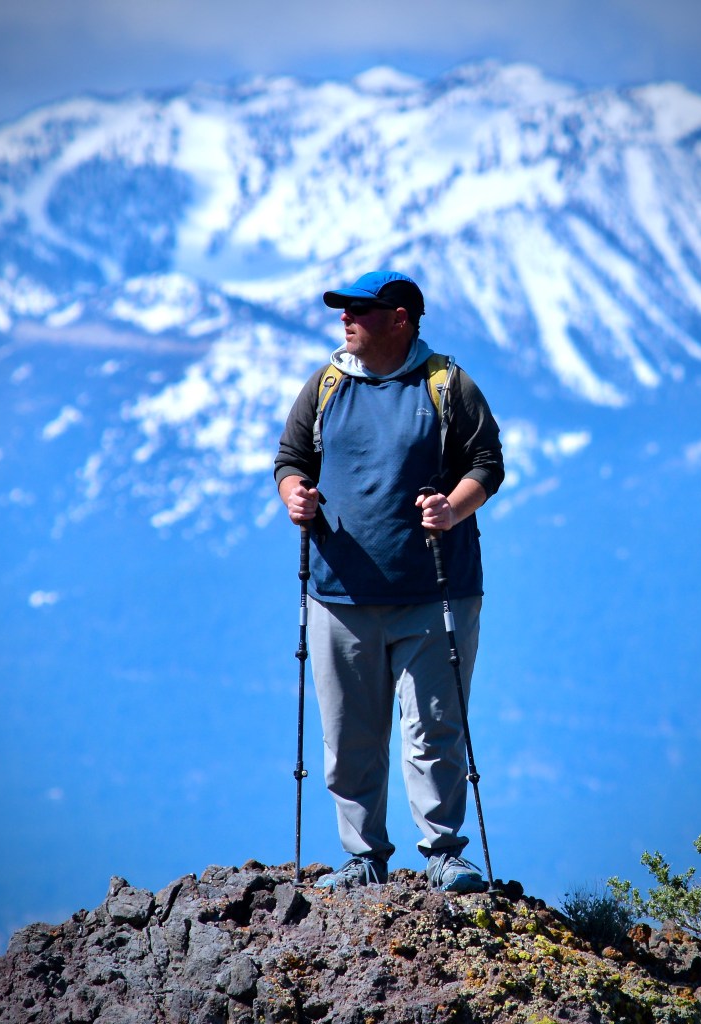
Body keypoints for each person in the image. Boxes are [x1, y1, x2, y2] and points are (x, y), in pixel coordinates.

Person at [274, 270, 504, 892]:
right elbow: (291, 460)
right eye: (343, 309)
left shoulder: (447, 385)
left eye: (360, 309)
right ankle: (363, 858)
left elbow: (487, 463)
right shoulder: (326, 385)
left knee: (433, 730)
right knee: (349, 735)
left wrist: (453, 508)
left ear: (400, 319)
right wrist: (295, 495)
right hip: (339, 593)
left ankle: (444, 853)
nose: (345, 318)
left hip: (435, 591)